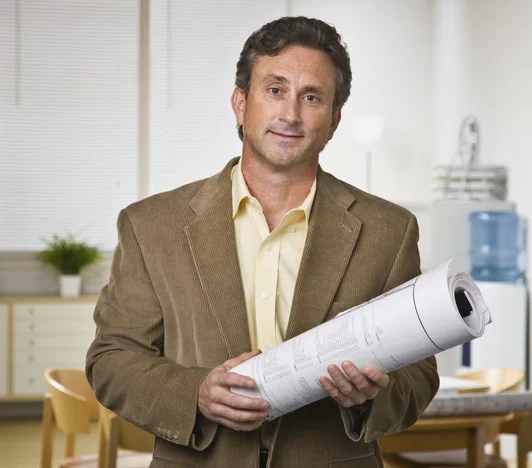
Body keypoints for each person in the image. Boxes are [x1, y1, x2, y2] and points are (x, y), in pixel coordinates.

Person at [86, 15, 439, 468]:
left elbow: (419, 376)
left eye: (311, 98)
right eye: (275, 90)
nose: (290, 114)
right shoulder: (151, 225)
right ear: (240, 103)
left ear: (333, 121)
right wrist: (195, 393)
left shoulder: (390, 230)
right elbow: (112, 359)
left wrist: (371, 397)